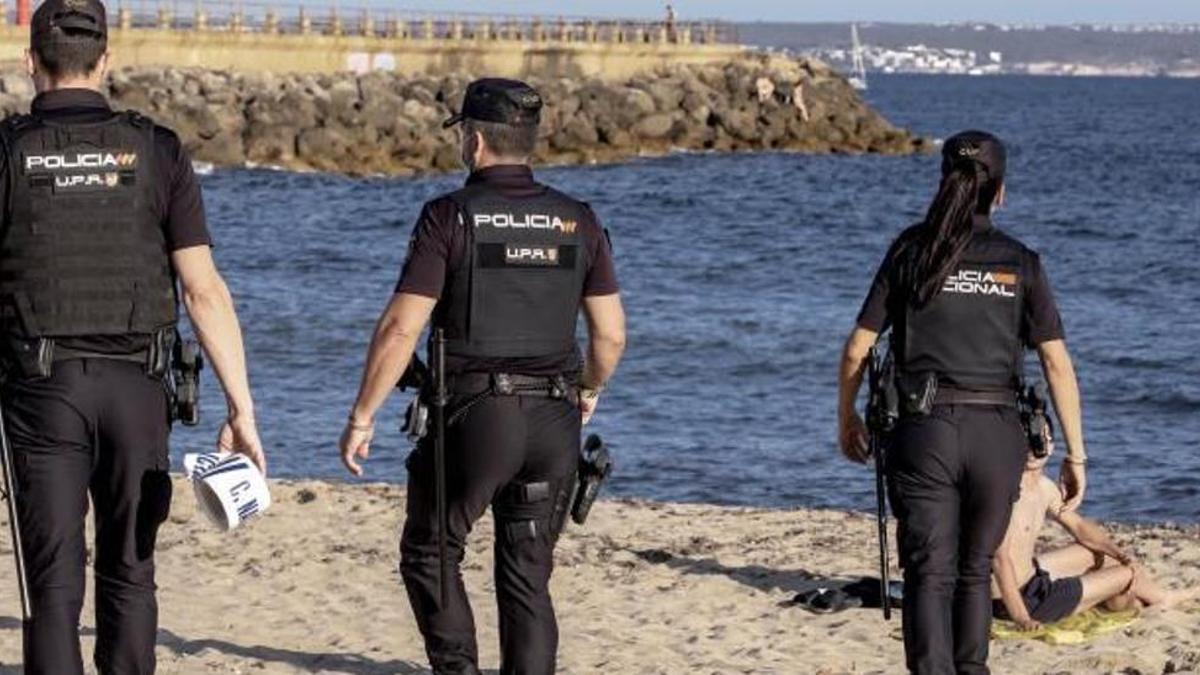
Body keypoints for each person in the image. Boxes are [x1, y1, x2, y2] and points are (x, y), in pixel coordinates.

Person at [0, 1, 266, 672]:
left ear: (31, 61)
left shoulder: (7, 152)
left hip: (41, 388)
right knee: (131, 567)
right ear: (106, 61)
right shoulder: (156, 149)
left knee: (53, 583)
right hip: (137, 391)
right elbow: (203, 289)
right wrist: (242, 408)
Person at [338, 78, 626, 675]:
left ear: (472, 142)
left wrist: (362, 415)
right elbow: (611, 335)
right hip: (554, 420)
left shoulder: (449, 216)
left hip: (476, 419)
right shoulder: (579, 220)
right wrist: (590, 390)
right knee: (527, 572)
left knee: (432, 550)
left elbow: (400, 329)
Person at [836, 130, 1088, 674]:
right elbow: (1057, 364)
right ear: (999, 191)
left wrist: (846, 417)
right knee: (974, 570)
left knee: (929, 572)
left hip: (922, 431)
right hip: (997, 433)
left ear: (943, 180)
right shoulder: (1020, 262)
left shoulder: (910, 249)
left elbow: (858, 347)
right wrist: (1076, 454)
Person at [993, 434, 1191, 630]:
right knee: (1129, 574)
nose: (1033, 447)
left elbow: (1079, 527)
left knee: (1101, 555)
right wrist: (1022, 618)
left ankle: (1119, 599)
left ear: (1052, 446)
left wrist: (1122, 555)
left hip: (1030, 578)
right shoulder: (1006, 490)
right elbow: (1000, 560)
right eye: (1026, 439)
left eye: (1040, 438)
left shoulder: (1044, 487)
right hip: (1017, 600)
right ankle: (1164, 598)